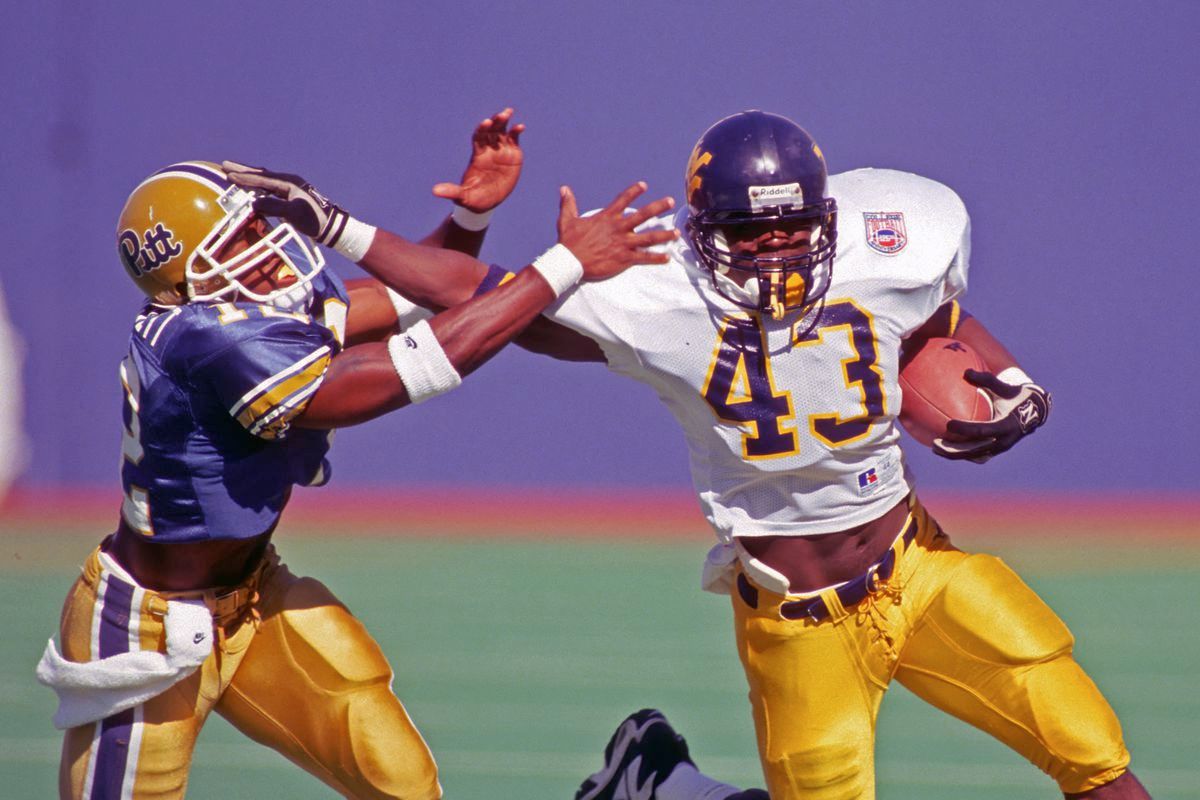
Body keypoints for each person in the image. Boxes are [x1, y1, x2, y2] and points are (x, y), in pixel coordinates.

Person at [35, 109, 677, 800]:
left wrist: (467, 225)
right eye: (240, 237)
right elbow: (412, 366)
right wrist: (565, 265)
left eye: (256, 224)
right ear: (187, 279)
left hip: (253, 599)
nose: (266, 243)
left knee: (400, 780)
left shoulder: (246, 308)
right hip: (151, 622)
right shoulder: (210, 340)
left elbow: (410, 302)